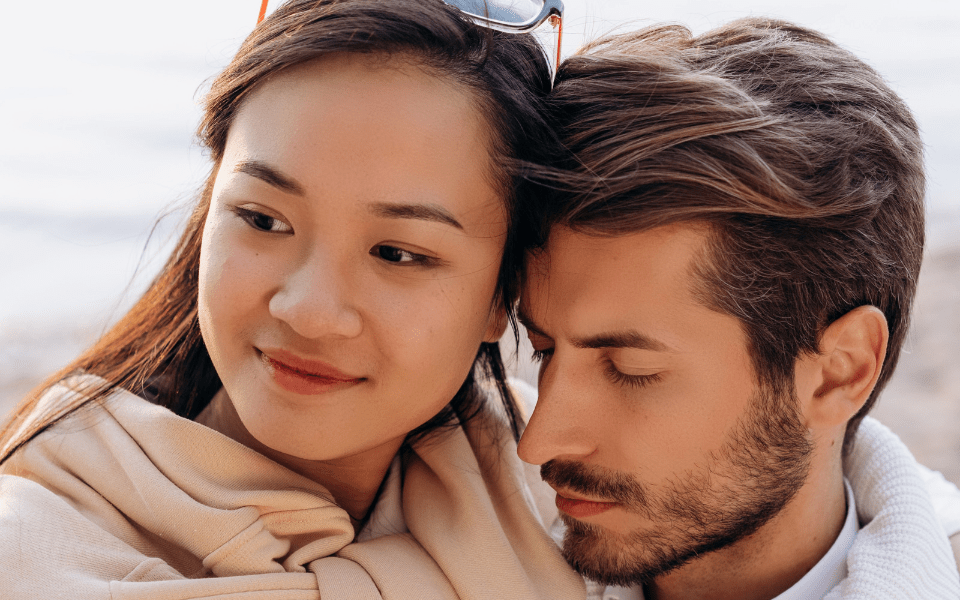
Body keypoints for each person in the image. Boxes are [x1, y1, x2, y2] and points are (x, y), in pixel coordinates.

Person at [0, 1, 586, 598]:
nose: (308, 311)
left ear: (502, 294)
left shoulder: (563, 502)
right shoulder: (31, 557)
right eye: (262, 219)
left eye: (397, 254)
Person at [517, 19, 960, 600]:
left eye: (632, 370)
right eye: (543, 351)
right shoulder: (470, 536)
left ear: (839, 372)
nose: (539, 441)